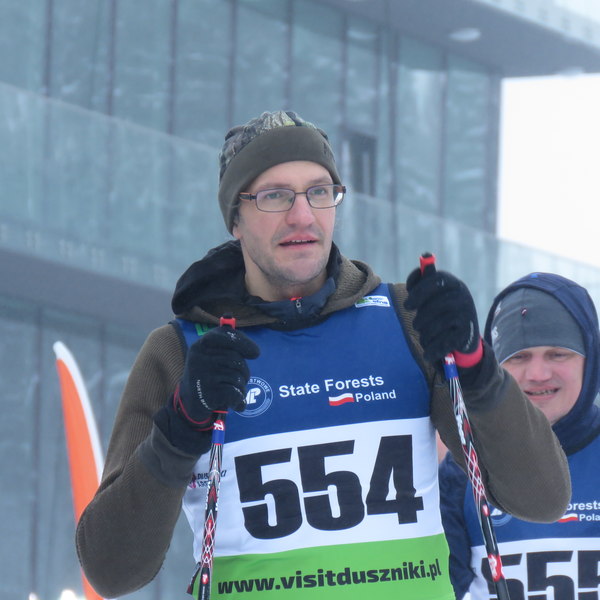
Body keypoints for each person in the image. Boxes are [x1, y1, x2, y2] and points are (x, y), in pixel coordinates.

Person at [75, 111, 570, 600]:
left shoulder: (408, 321)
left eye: (319, 191)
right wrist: (180, 429)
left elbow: (541, 498)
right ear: (235, 220)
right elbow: (112, 572)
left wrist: (477, 368)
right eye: (274, 196)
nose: (302, 215)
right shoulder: (181, 353)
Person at [439, 272, 600, 599]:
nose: (538, 374)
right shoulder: (464, 467)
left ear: (590, 358)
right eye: (519, 357)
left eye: (558, 353)